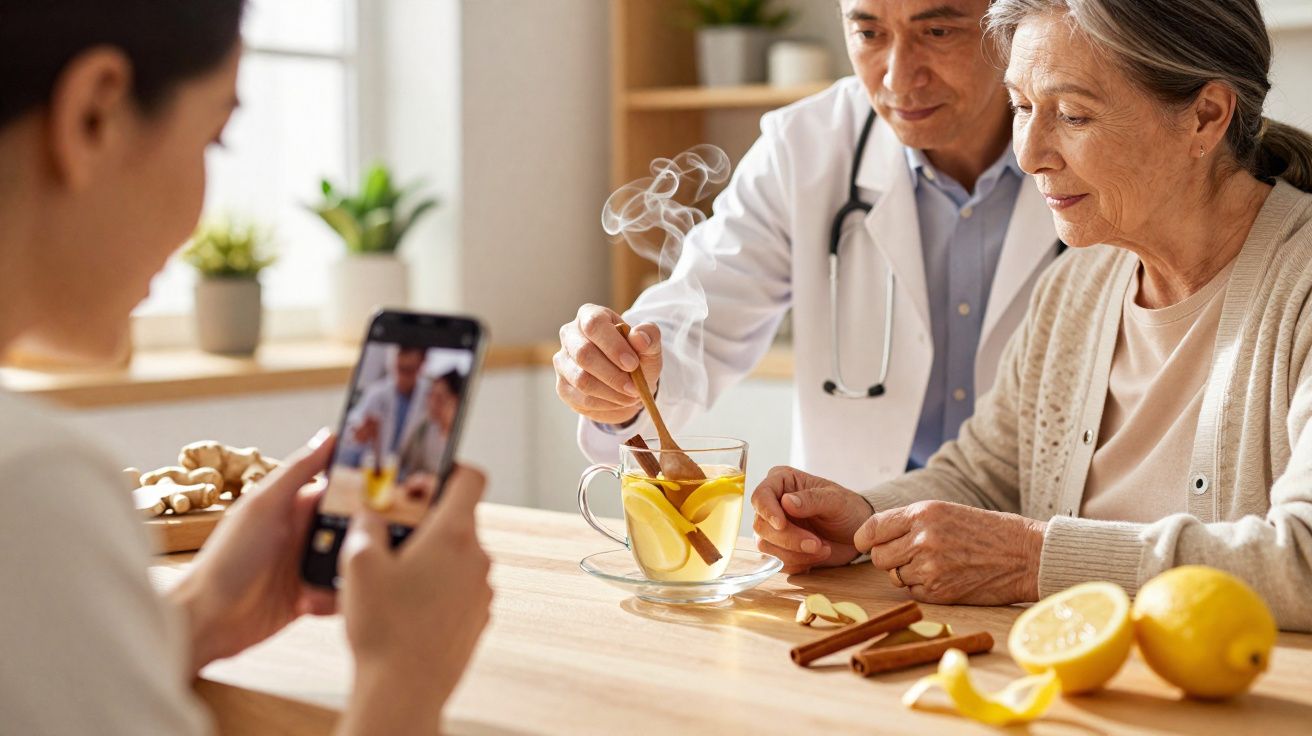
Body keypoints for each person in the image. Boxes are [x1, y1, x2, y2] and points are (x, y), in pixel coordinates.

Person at [0, 2, 492, 732]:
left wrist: (195, 615)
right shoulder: (33, 486)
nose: (202, 214)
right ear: (94, 114)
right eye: (214, 139)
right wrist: (404, 680)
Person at [751, 0, 1312, 631]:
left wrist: (1033, 558)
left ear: (1205, 117)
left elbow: (1305, 559)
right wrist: (862, 517)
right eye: (1021, 106)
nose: (1029, 154)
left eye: (1073, 115)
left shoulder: (1300, 289)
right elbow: (989, 475)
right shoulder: (1078, 285)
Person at [556, 0, 1063, 498]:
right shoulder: (804, 146)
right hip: (855, 544)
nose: (897, 78)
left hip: (1038, 546)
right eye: (869, 34)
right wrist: (620, 379)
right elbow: (697, 322)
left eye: (937, 33)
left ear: (1010, 21)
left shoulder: (1088, 135)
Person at [340, 345, 428, 467]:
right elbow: (351, 429)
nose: (402, 377)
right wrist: (359, 432)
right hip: (374, 469)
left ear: (422, 365)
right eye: (400, 369)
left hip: (408, 473)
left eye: (409, 370)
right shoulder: (377, 394)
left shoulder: (430, 397)